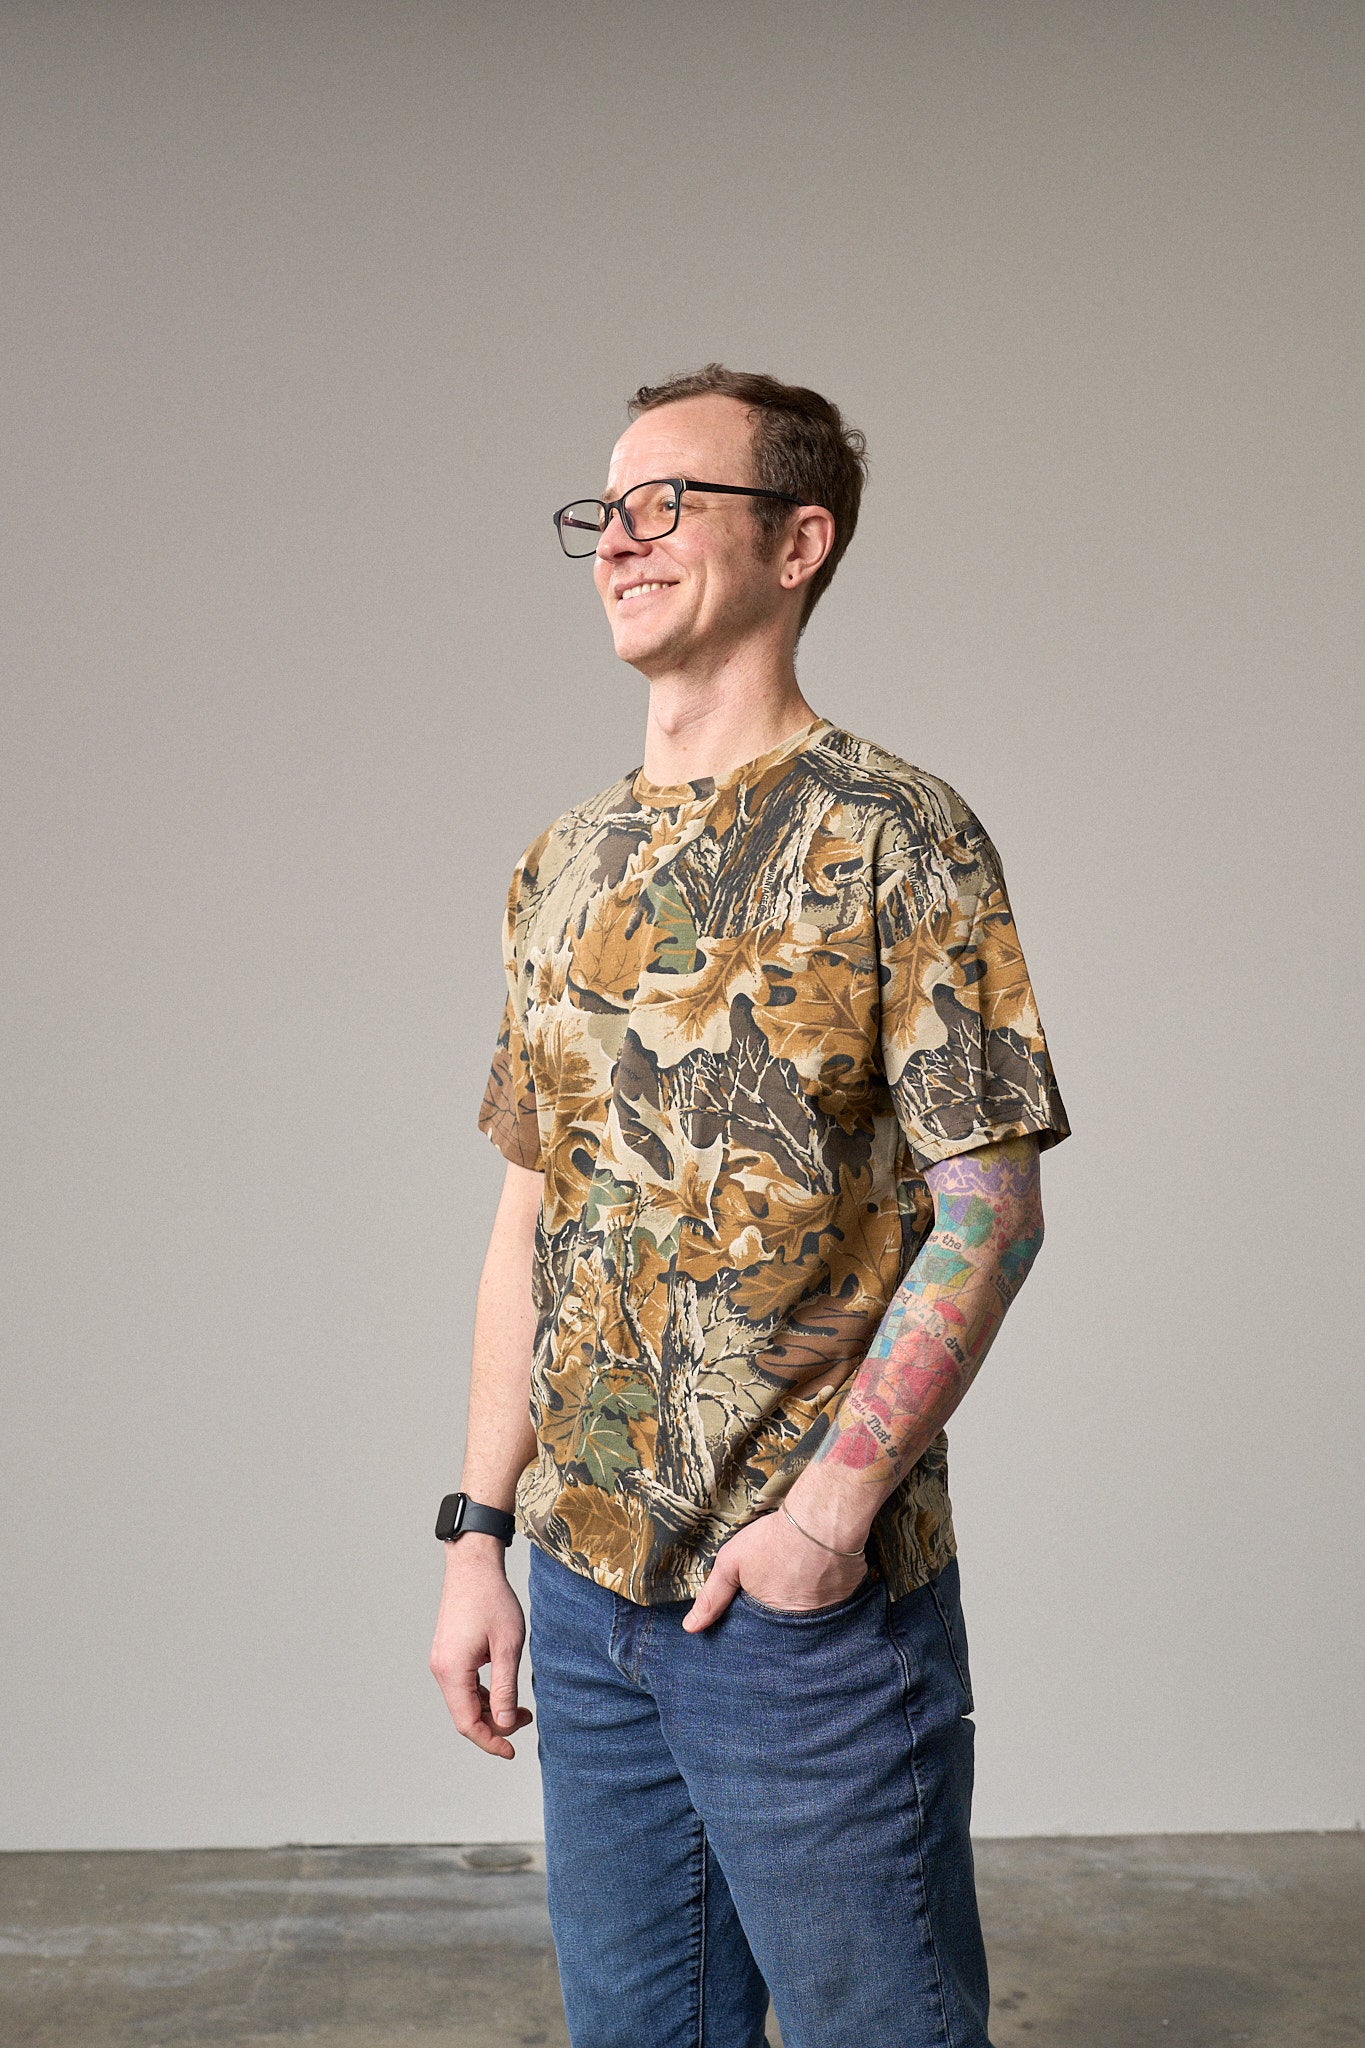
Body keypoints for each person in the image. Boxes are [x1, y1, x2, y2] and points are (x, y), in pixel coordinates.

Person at [429, 364, 1071, 2048]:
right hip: (584, 1602)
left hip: (796, 1617)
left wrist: (823, 1526)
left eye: (669, 503)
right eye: (606, 509)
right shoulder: (560, 864)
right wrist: (479, 1536)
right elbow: (529, 1220)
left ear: (798, 544)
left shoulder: (896, 837)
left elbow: (988, 1216)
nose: (620, 539)